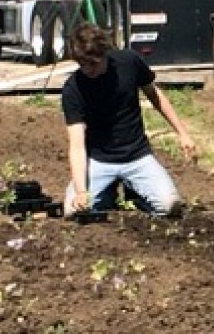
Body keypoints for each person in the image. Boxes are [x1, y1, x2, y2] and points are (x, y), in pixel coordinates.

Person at [62, 23, 196, 214]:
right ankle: (107, 193)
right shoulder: (73, 89)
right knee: (73, 211)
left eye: (93, 64)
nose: (87, 70)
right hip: (99, 162)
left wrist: (183, 133)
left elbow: (155, 95)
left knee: (170, 205)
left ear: (104, 54)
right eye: (82, 65)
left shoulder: (129, 62)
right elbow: (76, 144)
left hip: (137, 157)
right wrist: (81, 190)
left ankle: (136, 193)